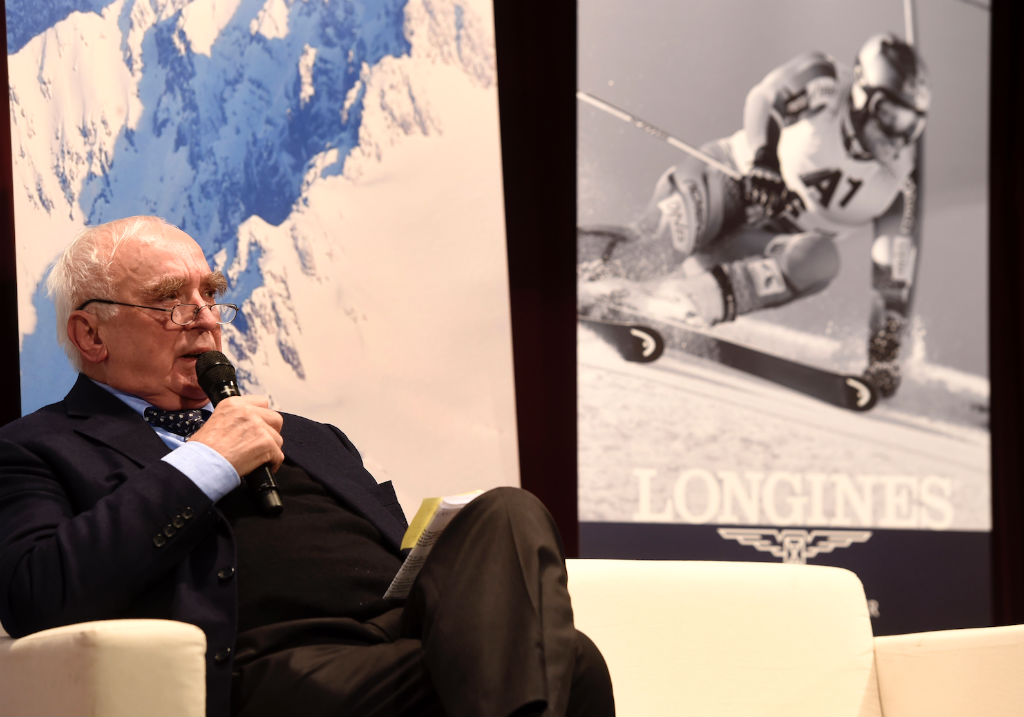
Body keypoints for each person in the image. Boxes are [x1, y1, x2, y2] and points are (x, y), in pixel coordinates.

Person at [0, 216, 614, 716]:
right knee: (572, 666)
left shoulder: (314, 438)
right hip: (275, 667)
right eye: (169, 301)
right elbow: (38, 594)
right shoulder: (37, 448)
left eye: (209, 295)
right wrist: (207, 460)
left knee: (508, 510)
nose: (206, 317)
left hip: (399, 636)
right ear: (91, 335)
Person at [580, 33, 928, 397]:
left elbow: (892, 277)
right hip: (725, 184)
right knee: (652, 254)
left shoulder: (901, 181)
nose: (898, 135)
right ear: (861, 94)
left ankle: (683, 302)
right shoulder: (826, 83)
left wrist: (884, 354)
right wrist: (765, 160)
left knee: (820, 259)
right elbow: (764, 98)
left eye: (912, 124)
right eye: (890, 115)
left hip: (757, 243)